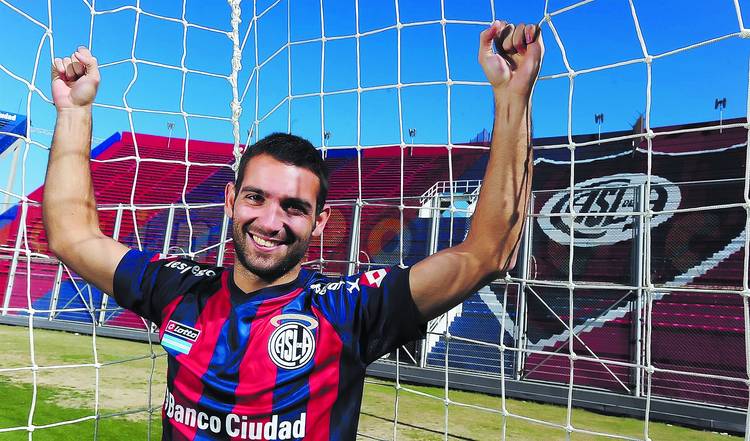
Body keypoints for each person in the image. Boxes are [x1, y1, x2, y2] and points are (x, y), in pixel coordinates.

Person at [43, 20, 542, 441]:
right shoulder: (179, 287)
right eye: (256, 198)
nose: (270, 222)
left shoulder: (349, 308)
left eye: (294, 207)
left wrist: (511, 96)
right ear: (230, 201)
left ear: (320, 222)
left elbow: (488, 252)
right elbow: (71, 237)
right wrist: (74, 112)